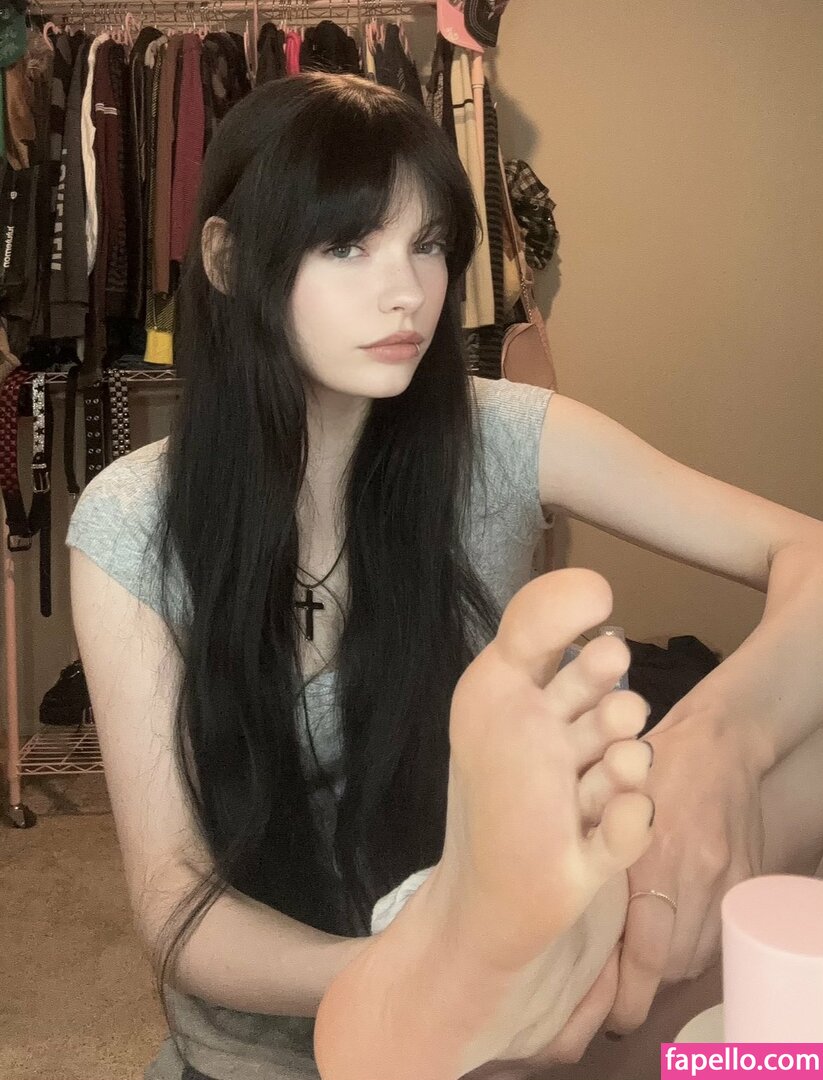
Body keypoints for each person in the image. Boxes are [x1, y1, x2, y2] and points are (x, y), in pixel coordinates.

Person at [67, 72, 823, 1080]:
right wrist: (429, 972)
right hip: (287, 1040)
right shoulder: (131, 522)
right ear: (229, 258)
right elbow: (176, 908)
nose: (406, 292)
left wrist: (719, 741)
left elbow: (808, 554)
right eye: (349, 245)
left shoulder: (500, 435)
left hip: (527, 1017)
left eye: (427, 245)